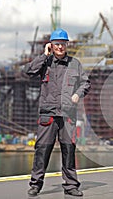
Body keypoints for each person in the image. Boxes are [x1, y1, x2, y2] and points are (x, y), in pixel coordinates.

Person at [25, 28, 91, 197]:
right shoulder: (45, 62)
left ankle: (70, 185)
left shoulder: (74, 64)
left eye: (63, 44)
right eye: (57, 44)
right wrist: (44, 55)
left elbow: (86, 83)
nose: (60, 47)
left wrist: (77, 94)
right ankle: (35, 184)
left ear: (67, 45)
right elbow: (29, 71)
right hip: (48, 115)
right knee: (42, 150)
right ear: (51, 45)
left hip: (67, 115)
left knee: (68, 150)